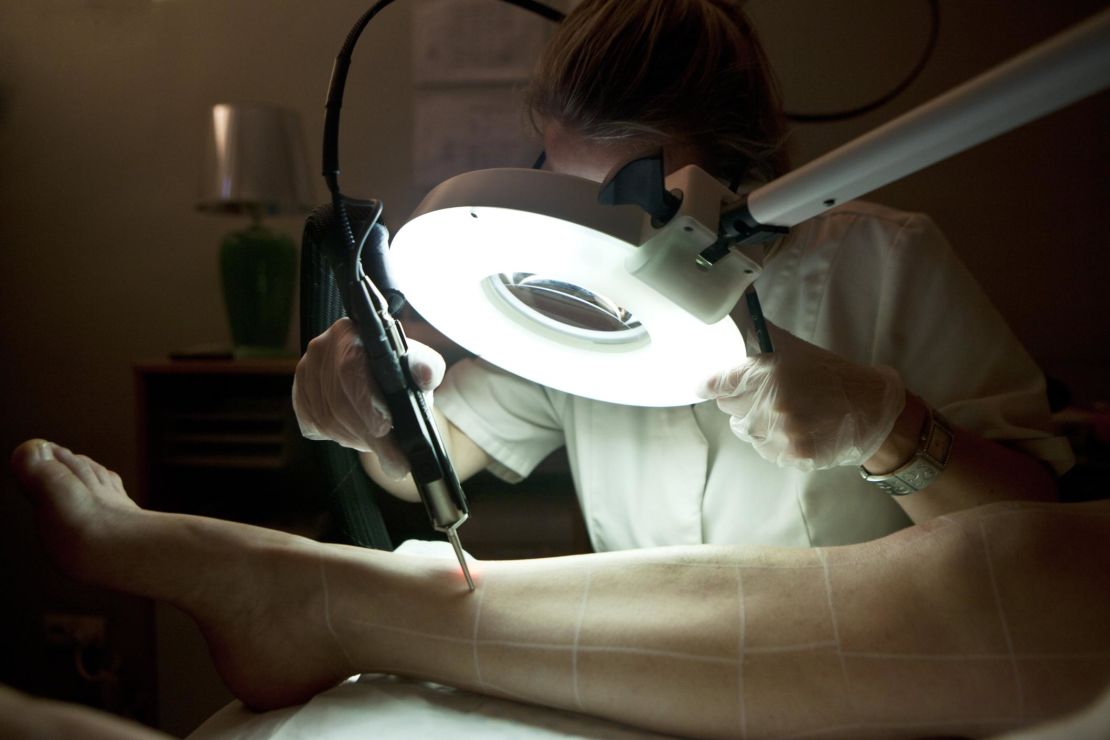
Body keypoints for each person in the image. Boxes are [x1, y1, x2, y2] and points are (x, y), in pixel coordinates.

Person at [294, 0, 1072, 553]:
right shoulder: (569, 289)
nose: (607, 251)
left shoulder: (883, 263)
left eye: (640, 206)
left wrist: (886, 427)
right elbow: (431, 460)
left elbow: (1041, 535)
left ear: (743, 172)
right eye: (575, 198)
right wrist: (383, 409)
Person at [8, 439, 1110, 739]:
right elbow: (421, 458)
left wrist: (894, 428)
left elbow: (1015, 508)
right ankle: (323, 594)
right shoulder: (582, 257)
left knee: (1042, 579)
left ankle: (319, 597)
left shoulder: (894, 246)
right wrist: (367, 397)